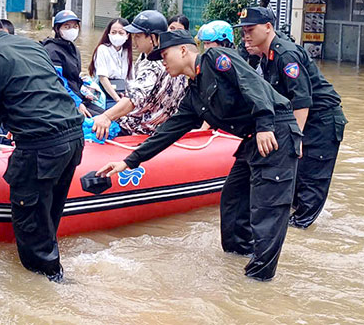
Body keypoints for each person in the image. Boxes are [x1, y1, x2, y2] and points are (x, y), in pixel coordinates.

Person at [97, 30, 301, 281]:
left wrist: (265, 125)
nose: (163, 61)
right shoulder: (195, 96)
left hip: (273, 131)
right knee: (233, 202)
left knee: (267, 209)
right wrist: (128, 161)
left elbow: (252, 84)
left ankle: (259, 280)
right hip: (251, 139)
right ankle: (238, 260)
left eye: (165, 55)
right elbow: (168, 132)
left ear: (184, 50)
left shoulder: (216, 58)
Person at [0, 0, 84, 282]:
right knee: (47, 219)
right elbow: (41, 92)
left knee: (32, 232)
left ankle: (51, 291)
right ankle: (56, 274)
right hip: (73, 140)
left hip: (41, 149)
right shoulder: (31, 45)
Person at [238, 6, 347, 229]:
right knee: (295, 180)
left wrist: (294, 140)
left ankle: (302, 230)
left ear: (268, 28)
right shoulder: (267, 56)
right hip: (305, 120)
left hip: (321, 122)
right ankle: (294, 225)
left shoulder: (285, 55)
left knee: (311, 181)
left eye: (250, 29)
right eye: (243, 31)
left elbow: (302, 101)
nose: (246, 35)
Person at [91, 10, 188, 139]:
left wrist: (106, 117)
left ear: (153, 38)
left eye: (138, 36)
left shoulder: (154, 64)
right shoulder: (153, 56)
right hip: (151, 121)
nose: (133, 39)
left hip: (143, 128)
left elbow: (133, 99)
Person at [42, 10, 102, 116]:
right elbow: (58, 82)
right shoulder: (52, 50)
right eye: (67, 27)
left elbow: (73, 77)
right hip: (63, 101)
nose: (72, 30)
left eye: (75, 26)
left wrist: (85, 87)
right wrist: (77, 103)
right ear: (57, 29)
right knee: (103, 124)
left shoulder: (72, 48)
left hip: (77, 96)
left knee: (109, 116)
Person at [88, 18, 132, 109]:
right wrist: (118, 100)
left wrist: (129, 97)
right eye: (113, 32)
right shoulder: (102, 49)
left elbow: (130, 79)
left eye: (121, 33)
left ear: (127, 35)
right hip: (106, 94)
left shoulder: (126, 52)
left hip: (122, 94)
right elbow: (103, 78)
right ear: (108, 34)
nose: (117, 35)